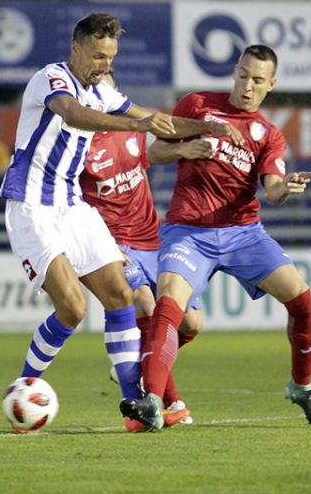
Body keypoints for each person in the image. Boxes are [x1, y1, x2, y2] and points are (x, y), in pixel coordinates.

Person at [0, 13, 241, 427]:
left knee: (119, 296)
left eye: (109, 58)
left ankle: (135, 405)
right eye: (97, 56)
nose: (104, 66)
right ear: (75, 49)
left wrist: (208, 126)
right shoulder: (50, 79)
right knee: (72, 309)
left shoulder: (102, 92)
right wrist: (135, 122)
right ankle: (26, 384)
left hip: (72, 205)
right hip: (31, 205)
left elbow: (159, 121)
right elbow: (73, 115)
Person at [120, 44, 311, 430]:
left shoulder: (269, 135)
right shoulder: (196, 104)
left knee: (301, 298)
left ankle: (302, 387)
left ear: (271, 84)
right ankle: (151, 401)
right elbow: (154, 151)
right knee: (170, 303)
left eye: (257, 80)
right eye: (242, 75)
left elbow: (270, 191)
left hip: (242, 233)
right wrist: (186, 148)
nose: (247, 86)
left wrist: (285, 187)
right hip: (188, 231)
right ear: (235, 70)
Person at [79, 70, 203, 431]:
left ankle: (136, 364)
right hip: (113, 244)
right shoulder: (79, 143)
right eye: (94, 86)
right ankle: (168, 402)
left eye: (109, 85)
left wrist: (185, 148)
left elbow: (154, 155)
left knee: (191, 322)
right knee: (146, 304)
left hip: (155, 239)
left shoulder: (133, 128)